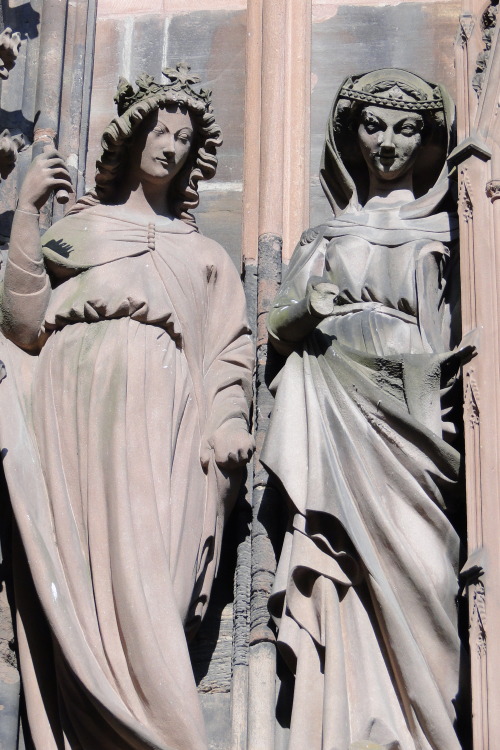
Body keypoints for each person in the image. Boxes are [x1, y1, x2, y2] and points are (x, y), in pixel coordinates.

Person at [0, 64, 253, 750]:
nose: (169, 145)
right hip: (73, 407)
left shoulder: (205, 256)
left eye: (184, 137)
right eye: (159, 130)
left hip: (164, 416)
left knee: (154, 592)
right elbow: (21, 325)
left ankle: (154, 730)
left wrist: (227, 422)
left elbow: (229, 352)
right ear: (133, 135)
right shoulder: (79, 233)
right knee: (78, 583)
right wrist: (26, 213)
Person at [261, 69, 470, 750]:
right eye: (373, 126)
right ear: (350, 136)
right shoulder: (327, 231)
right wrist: (308, 307)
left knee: (428, 573)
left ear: (428, 140)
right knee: (339, 569)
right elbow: (277, 326)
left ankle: (427, 727)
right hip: (334, 404)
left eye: (406, 128)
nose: (387, 143)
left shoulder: (451, 226)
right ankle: (351, 722)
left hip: (415, 420)